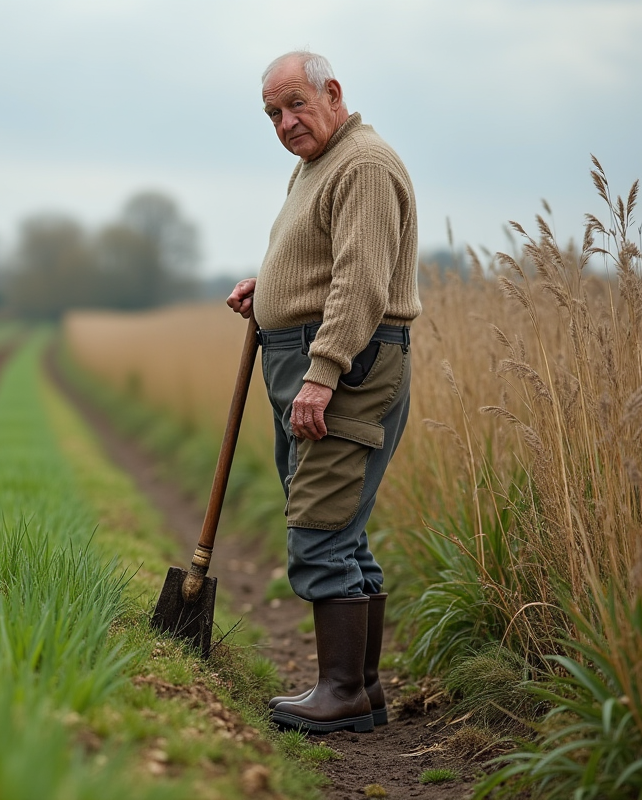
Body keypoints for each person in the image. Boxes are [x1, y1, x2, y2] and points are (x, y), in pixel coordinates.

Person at [226, 51, 421, 734]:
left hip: (347, 368)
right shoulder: (318, 164)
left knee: (319, 526)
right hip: (311, 355)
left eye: (296, 105)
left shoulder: (363, 164)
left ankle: (339, 692)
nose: (285, 122)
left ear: (333, 93)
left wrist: (322, 370)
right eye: (273, 113)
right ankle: (360, 689)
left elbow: (363, 281)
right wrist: (269, 288)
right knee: (340, 524)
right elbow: (324, 259)